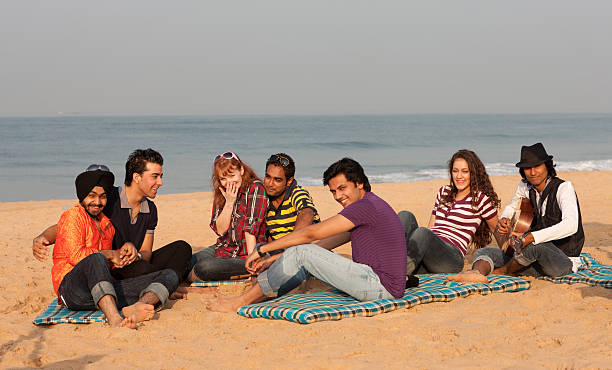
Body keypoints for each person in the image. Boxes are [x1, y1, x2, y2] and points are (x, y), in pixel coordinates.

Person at [209, 158, 408, 312]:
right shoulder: (368, 205)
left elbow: (312, 234)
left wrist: (263, 249)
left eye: (342, 188)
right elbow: (326, 243)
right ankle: (264, 291)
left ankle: (241, 302)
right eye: (333, 192)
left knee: (302, 252)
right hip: (376, 281)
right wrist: (276, 259)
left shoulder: (365, 207)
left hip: (380, 287)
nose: (338, 196)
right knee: (303, 252)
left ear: (360, 184)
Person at [32, 149, 192, 285]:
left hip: (135, 263)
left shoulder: (150, 209)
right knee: (145, 270)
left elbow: (146, 252)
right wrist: (42, 237)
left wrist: (136, 255)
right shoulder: (107, 198)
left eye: (160, 176)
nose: (160, 182)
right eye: (155, 176)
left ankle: (166, 282)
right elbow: (69, 225)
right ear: (137, 177)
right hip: (112, 266)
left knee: (181, 247)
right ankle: (168, 283)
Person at [53, 167, 178, 328]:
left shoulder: (107, 225)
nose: (97, 202)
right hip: (72, 291)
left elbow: (108, 262)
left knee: (170, 275)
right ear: (82, 196)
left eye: (103, 197)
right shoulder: (73, 216)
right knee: (96, 258)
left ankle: (136, 306)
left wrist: (124, 253)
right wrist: (111, 254)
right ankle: (114, 319)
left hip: (101, 292)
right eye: (92, 196)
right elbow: (77, 256)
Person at [448, 143, 584, 282]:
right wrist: (505, 219)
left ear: (547, 166)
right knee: (484, 251)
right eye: (527, 168)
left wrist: (531, 237)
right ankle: (475, 273)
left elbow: (571, 225)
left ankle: (501, 272)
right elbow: (512, 207)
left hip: (563, 262)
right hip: (536, 264)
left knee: (535, 246)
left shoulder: (564, 188)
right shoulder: (525, 186)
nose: (532, 172)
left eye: (537, 166)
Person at [399, 149, 500, 274]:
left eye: (465, 172)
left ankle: (396, 276)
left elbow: (497, 230)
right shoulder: (443, 192)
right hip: (431, 252)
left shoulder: (480, 199)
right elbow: (431, 227)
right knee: (405, 216)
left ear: (473, 173)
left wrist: (511, 255)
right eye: (455, 171)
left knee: (422, 232)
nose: (459, 176)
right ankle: (390, 264)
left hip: (451, 258)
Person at [187, 152, 269, 282]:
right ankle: (188, 276)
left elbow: (250, 230)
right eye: (223, 179)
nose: (228, 182)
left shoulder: (255, 188)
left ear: (241, 170)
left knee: (204, 268)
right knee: (185, 261)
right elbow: (220, 230)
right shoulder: (222, 192)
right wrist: (229, 203)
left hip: (246, 254)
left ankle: (191, 277)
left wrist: (253, 262)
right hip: (224, 247)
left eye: (231, 176)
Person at [260, 153, 320, 268]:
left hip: (305, 253)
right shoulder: (265, 200)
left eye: (277, 180)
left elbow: (306, 213)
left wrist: (277, 256)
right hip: (280, 254)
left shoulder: (297, 193)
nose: (270, 184)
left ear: (289, 181)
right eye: (268, 177)